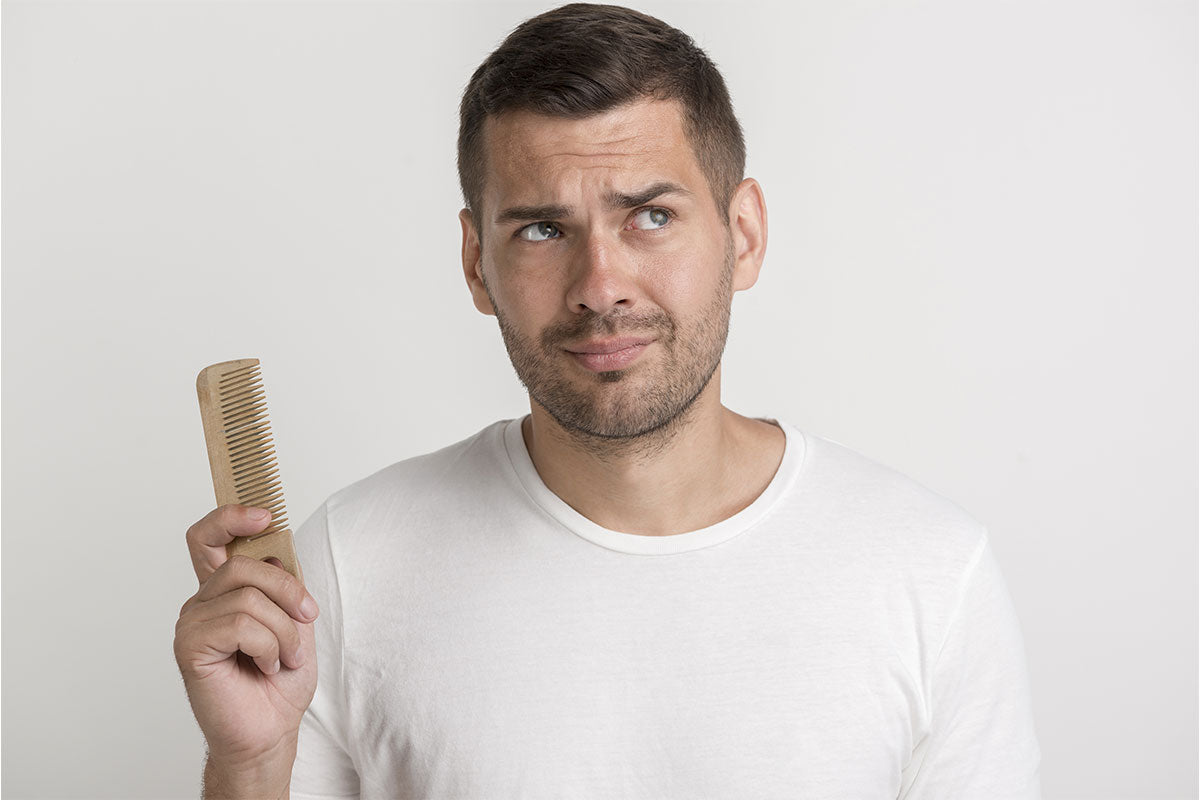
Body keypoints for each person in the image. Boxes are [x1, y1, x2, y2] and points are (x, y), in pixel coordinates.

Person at [173, 4, 1042, 798]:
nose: (600, 284)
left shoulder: (929, 575)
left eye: (650, 216)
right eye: (543, 229)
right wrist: (249, 766)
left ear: (743, 235)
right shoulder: (347, 568)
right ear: (477, 264)